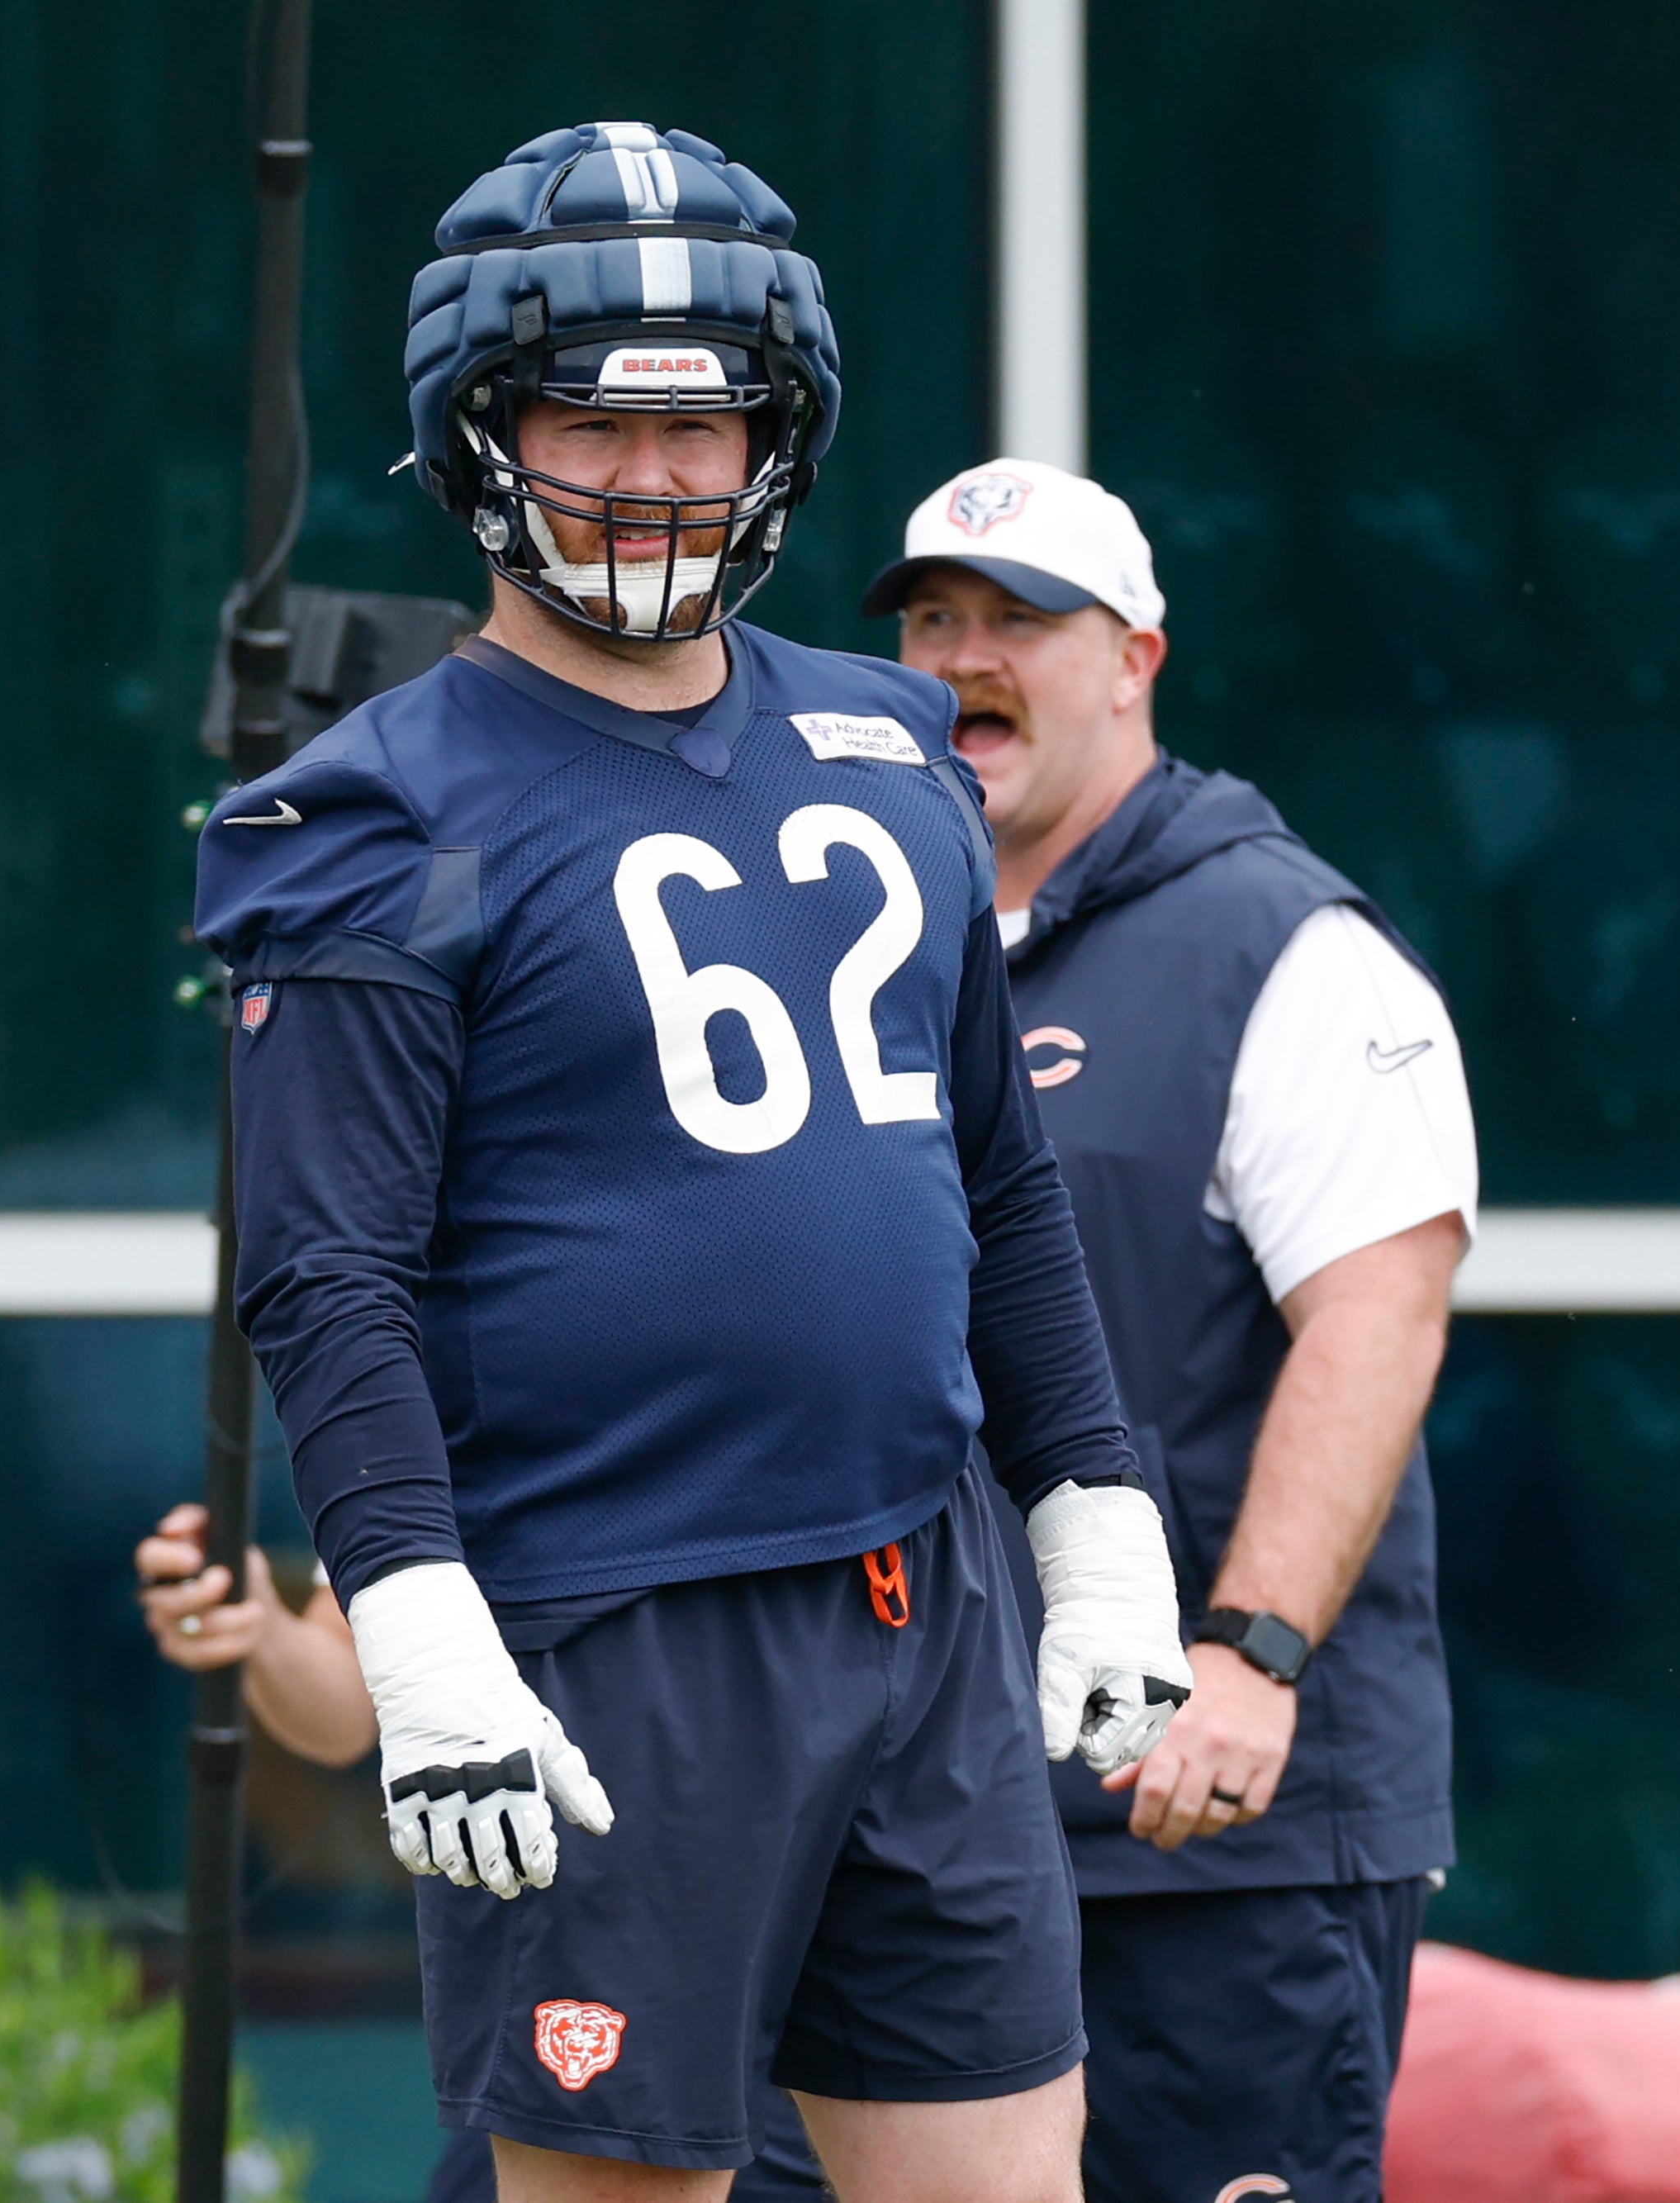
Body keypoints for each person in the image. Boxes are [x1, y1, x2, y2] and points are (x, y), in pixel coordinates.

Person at [191, 125, 1193, 2203]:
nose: (655, 477)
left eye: (705, 419)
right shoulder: (377, 810)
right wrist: (416, 1620)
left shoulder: (885, 742)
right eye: (592, 417)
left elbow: (990, 1176)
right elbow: (327, 1274)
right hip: (615, 1617)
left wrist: (1089, 1502)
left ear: (779, 429)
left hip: (921, 1589)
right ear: (478, 425)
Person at [864, 459, 1478, 2203]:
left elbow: (1374, 1313)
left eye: (1016, 623)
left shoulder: (1280, 947)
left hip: (1204, 1827)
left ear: (1132, 658)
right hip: (921, 1834)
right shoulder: (862, 952)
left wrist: (1250, 1650)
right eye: (928, 618)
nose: (960, 656)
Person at [132, 1506, 829, 2201]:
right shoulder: (445, 1419)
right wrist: (258, 1625)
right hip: (574, 1958)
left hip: (816, 1997)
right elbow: (348, 1693)